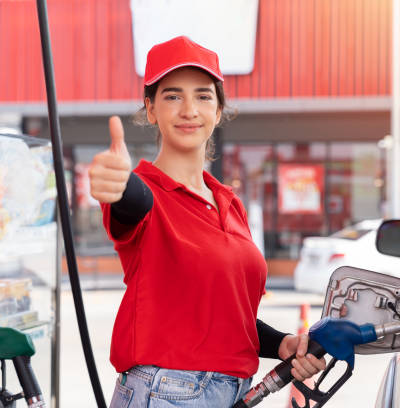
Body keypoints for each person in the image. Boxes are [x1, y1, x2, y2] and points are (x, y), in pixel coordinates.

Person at [89, 36, 325, 407]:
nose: (189, 109)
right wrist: (118, 182)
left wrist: (282, 343)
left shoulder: (229, 203)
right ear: (150, 109)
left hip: (236, 392)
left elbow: (228, 316)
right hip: (166, 392)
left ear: (217, 111)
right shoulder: (146, 194)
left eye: (202, 96)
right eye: (172, 96)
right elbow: (129, 202)